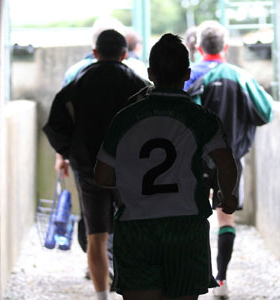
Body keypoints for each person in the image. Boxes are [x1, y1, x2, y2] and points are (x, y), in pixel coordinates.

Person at [94, 33, 239, 300]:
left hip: (136, 229)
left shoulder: (124, 118)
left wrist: (133, 180)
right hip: (186, 228)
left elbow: (102, 176)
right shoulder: (203, 119)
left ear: (150, 73)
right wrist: (227, 196)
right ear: (187, 73)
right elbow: (227, 166)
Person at [43, 29, 149, 300]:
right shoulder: (137, 85)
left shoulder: (78, 84)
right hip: (129, 171)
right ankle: (132, 291)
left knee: (96, 236)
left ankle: (102, 296)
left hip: (89, 169)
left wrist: (71, 153)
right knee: (133, 233)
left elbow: (55, 126)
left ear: (94, 54)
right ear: (125, 54)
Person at [185, 20, 273, 299]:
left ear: (198, 47)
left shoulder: (187, 77)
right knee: (226, 219)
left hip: (193, 163)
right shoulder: (241, 77)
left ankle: (194, 279)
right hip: (230, 161)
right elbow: (265, 112)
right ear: (226, 46)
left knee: (193, 219)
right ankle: (221, 282)